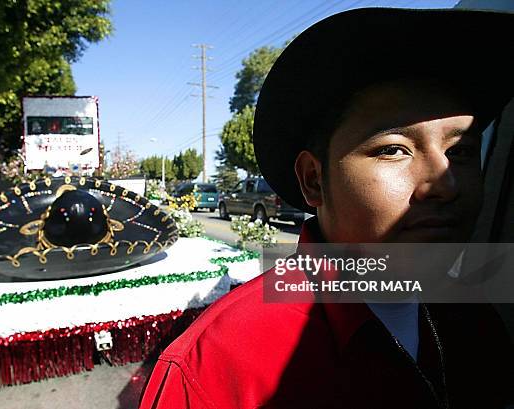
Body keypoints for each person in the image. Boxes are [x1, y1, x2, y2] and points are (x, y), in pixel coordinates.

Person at [138, 7, 514, 409]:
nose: (446, 184)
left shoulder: (474, 318)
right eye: (393, 150)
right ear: (314, 180)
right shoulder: (215, 367)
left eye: (461, 151)